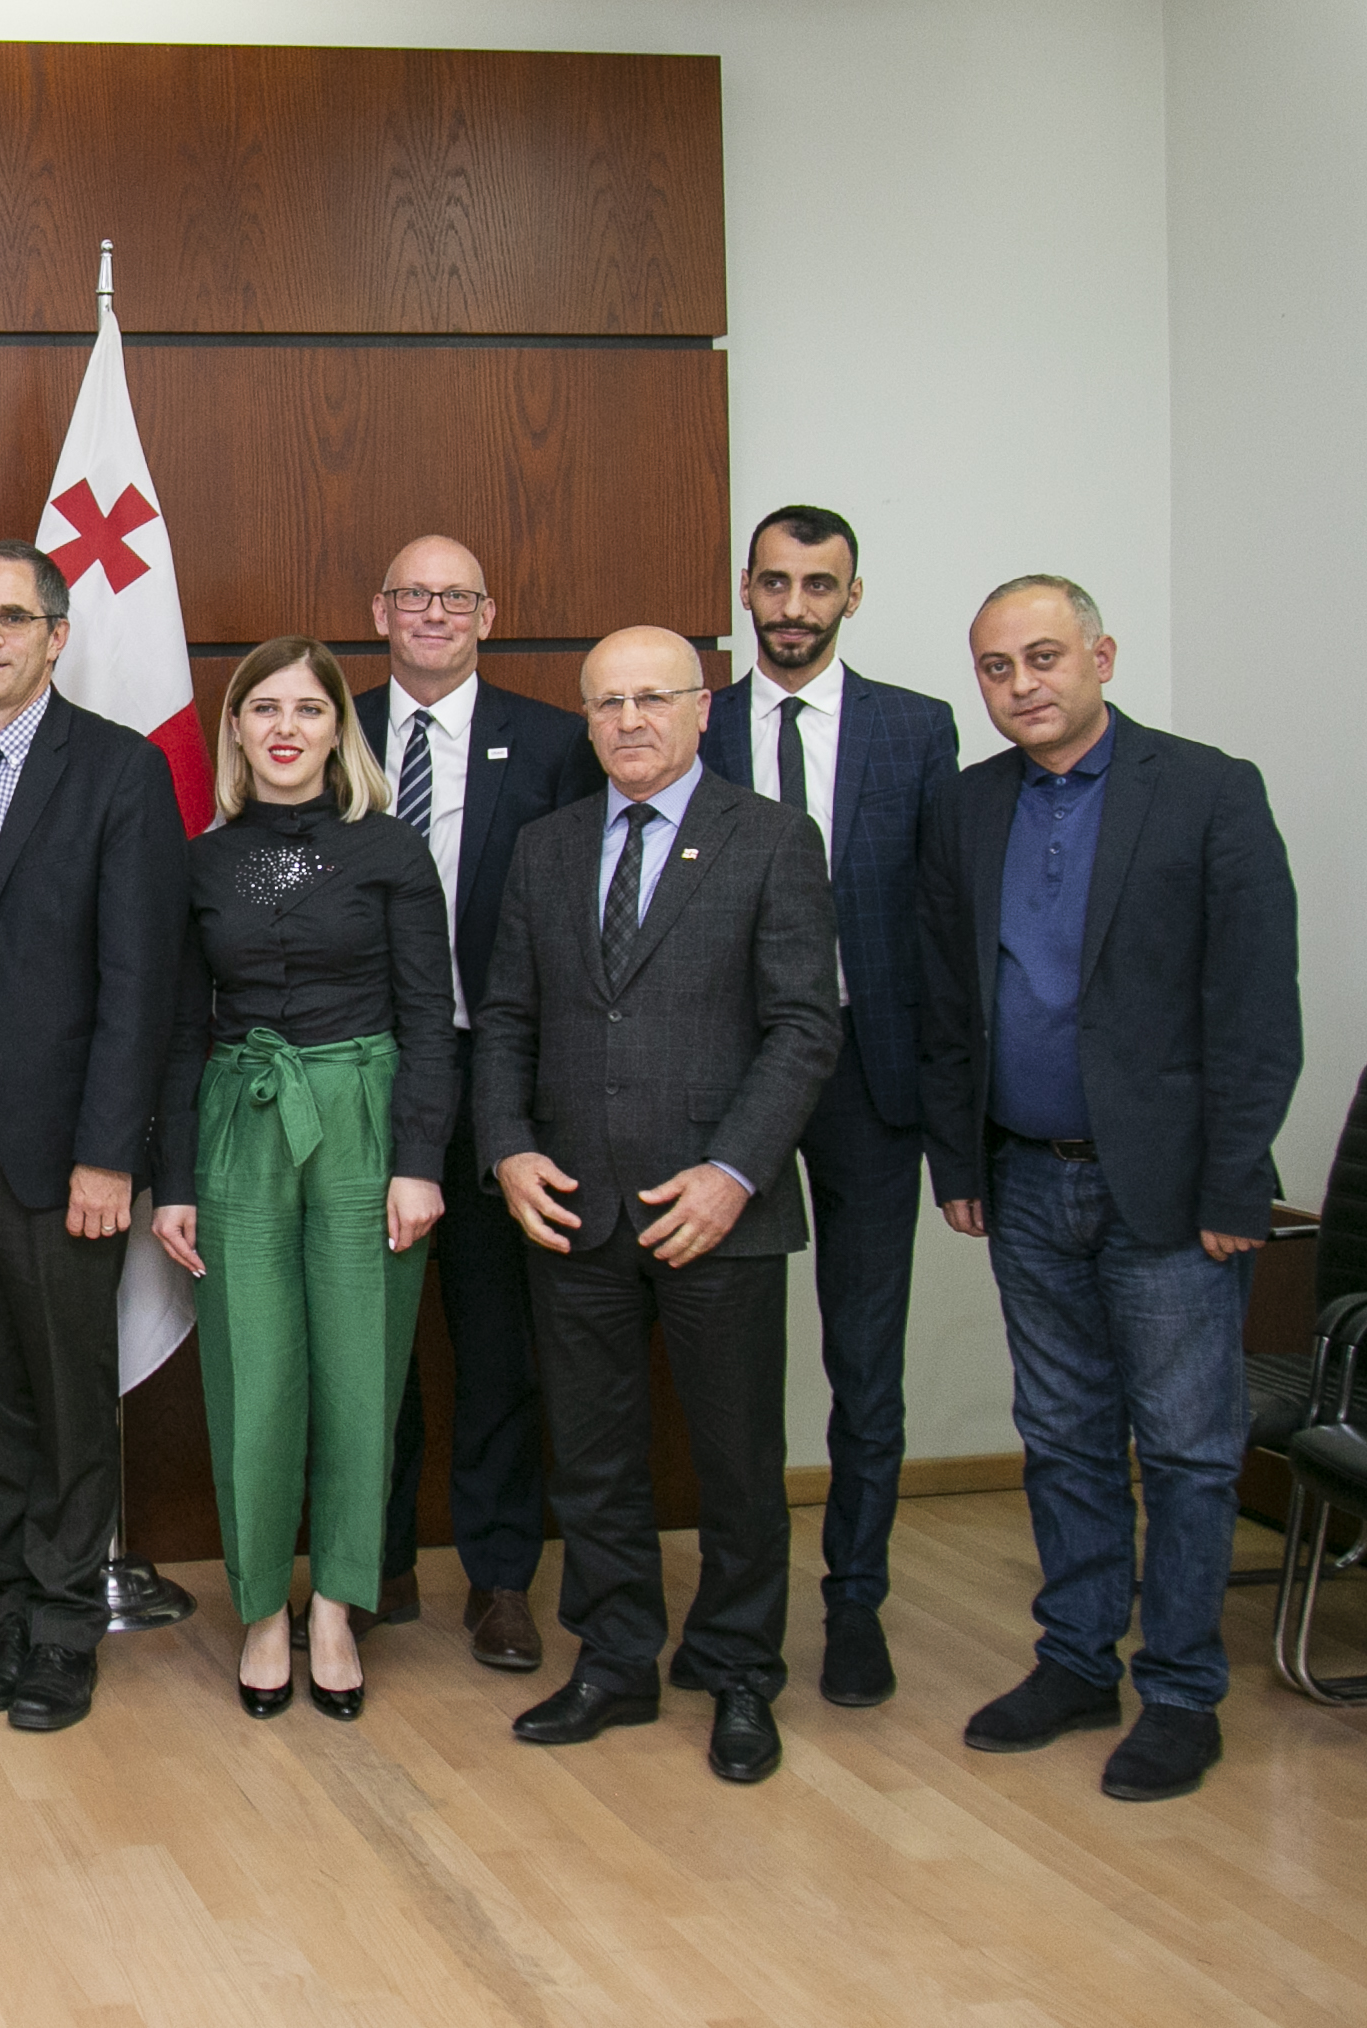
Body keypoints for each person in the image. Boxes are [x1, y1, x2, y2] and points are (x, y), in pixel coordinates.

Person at [920, 575, 1299, 1804]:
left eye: (1041, 657)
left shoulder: (1206, 792)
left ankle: (1180, 1691)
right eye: (994, 667)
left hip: (1174, 1192)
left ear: (1101, 656)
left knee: (1185, 1451)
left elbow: (1255, 1008)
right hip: (1024, 1178)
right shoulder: (967, 805)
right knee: (1062, 1437)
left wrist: (1234, 1184)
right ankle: (1076, 1662)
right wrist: (958, 1160)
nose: (1019, 685)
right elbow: (947, 1000)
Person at [476, 626, 839, 1786]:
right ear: (584, 720)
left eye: (651, 698)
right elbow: (506, 1017)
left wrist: (733, 1171)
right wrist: (506, 1150)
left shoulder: (771, 839)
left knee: (735, 1462)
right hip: (571, 1207)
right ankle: (615, 1659)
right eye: (606, 703)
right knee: (590, 1460)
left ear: (699, 709)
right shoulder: (544, 847)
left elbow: (802, 1026)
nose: (628, 720)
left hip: (713, 1209)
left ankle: (736, 1672)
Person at [0, 539, 184, 1733]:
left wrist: (110, 1152)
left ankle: (63, 1627)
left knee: (66, 1392)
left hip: (65, 1148)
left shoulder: (118, 770)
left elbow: (139, 981)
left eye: (12, 618)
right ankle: (10, 1609)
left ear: (56, 637)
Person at [154, 638, 455, 1722]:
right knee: (254, 1374)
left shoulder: (391, 850)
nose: (286, 728)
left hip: (362, 1123)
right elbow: (177, 1029)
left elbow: (429, 1018)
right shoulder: (199, 861)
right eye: (264, 709)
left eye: (308, 710)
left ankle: (334, 1603)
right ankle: (260, 1609)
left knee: (359, 1375)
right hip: (238, 1122)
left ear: (338, 729)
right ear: (235, 728)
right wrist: (174, 1180)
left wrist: (418, 1163)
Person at [694, 506, 960, 1707]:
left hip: (868, 1078)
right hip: (728, 1074)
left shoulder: (915, 728)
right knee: (720, 1356)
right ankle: (727, 1601)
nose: (791, 606)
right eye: (773, 583)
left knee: (863, 1357)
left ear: (851, 596)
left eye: (817, 585)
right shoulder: (694, 722)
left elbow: (940, 920)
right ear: (744, 590)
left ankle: (854, 1601)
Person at [350, 535, 604, 1672]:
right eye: (414, 595)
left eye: (456, 597)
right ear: (380, 612)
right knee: (371, 1340)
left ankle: (500, 1577)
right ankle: (374, 1563)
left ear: (488, 615)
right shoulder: (329, 726)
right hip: (361, 1077)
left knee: (498, 1342)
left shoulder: (553, 745)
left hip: (500, 1077)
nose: (434, 613)